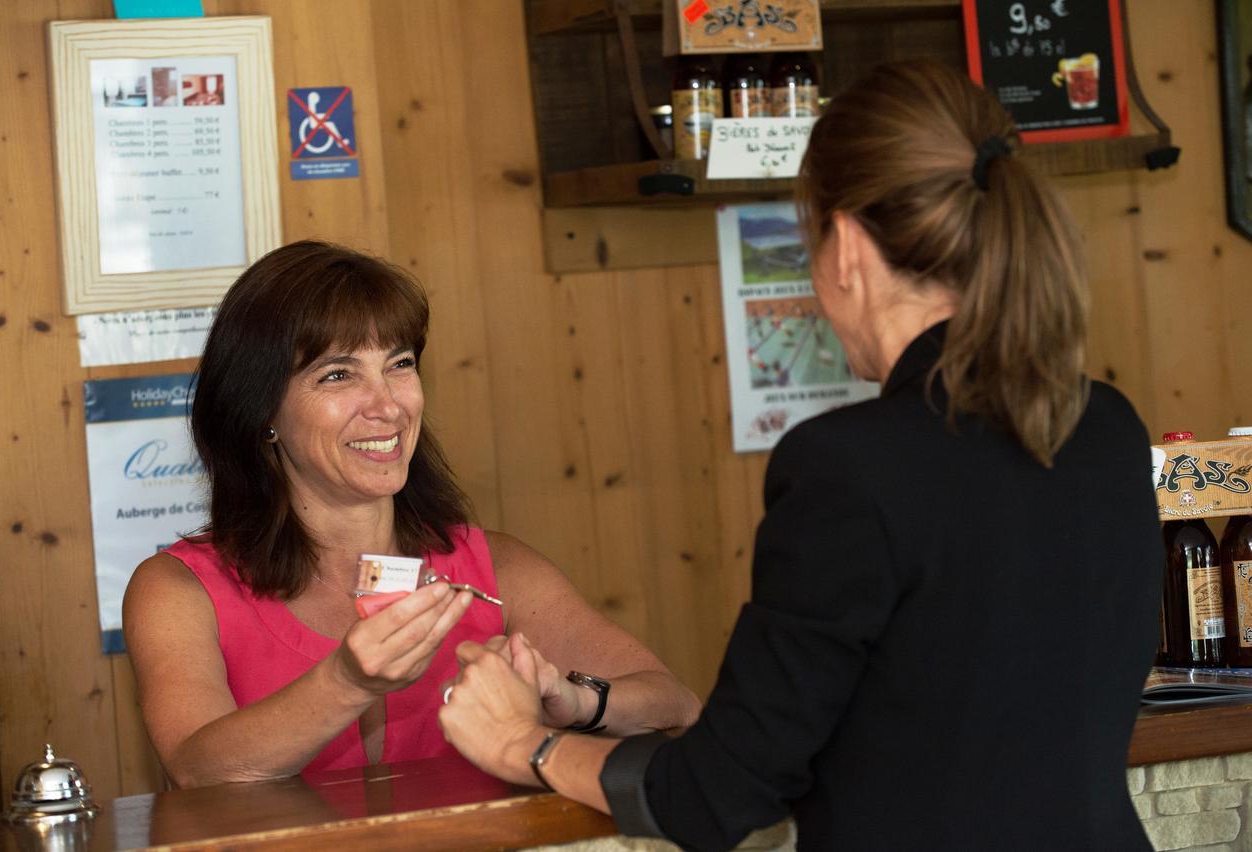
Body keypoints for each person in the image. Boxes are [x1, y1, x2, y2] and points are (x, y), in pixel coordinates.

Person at [438, 60, 1161, 849]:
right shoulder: (1106, 425)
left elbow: (720, 793)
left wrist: (523, 744)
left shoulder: (853, 466)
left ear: (846, 245)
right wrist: (589, 707)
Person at [122, 241, 700, 788]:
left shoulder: (493, 563)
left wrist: (574, 701)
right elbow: (196, 771)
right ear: (260, 410)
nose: (389, 405)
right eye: (339, 374)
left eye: (399, 364)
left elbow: (674, 705)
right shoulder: (178, 590)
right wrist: (347, 681)